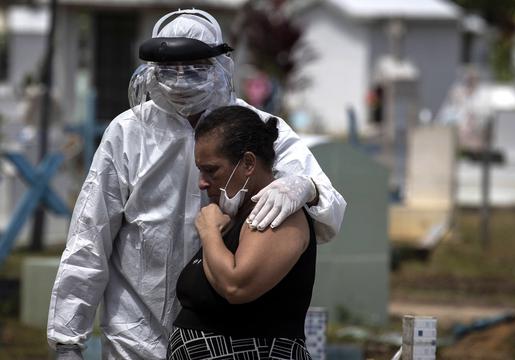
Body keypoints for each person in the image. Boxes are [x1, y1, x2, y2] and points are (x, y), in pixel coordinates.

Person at [47, 9, 346, 360]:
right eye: (169, 70)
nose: (180, 80)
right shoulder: (128, 133)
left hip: (223, 337)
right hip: (134, 334)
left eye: (195, 68)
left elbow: (329, 206)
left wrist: (304, 186)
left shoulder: (254, 127)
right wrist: (67, 338)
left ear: (221, 66)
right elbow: (89, 236)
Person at [169, 105, 315, 359]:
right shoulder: (236, 217)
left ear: (248, 163)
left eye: (212, 170)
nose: (202, 182)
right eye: (200, 170)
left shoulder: (277, 212)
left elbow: (236, 286)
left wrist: (209, 232)